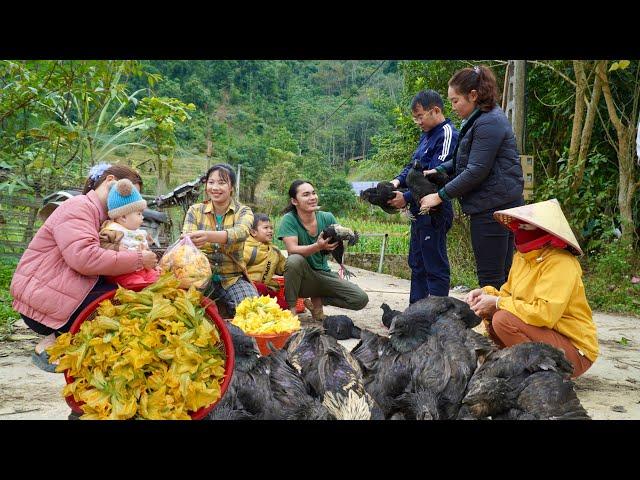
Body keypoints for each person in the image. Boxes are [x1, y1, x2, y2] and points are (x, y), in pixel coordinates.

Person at [10, 163, 158, 372]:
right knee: (126, 301)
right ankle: (53, 343)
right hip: (43, 297)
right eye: (128, 194)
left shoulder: (101, 216)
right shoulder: (79, 207)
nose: (128, 202)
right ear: (110, 182)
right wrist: (138, 259)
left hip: (60, 291)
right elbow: (84, 258)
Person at [465, 199, 598, 378]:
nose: (520, 231)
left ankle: (539, 375)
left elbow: (544, 314)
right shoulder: (522, 257)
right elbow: (507, 295)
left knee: (503, 319)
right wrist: (486, 294)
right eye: (519, 226)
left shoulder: (561, 263)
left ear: (544, 231)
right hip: (546, 337)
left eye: (526, 227)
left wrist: (497, 302)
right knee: (493, 315)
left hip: (575, 351)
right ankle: (521, 366)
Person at [422, 65, 524, 290]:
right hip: (495, 205)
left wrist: (439, 196)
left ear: (473, 95)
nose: (452, 107)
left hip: (493, 209)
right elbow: (467, 159)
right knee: (502, 278)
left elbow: (476, 170)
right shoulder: (480, 118)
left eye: (455, 100)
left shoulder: (489, 122)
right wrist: (441, 170)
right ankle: (500, 324)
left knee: (491, 280)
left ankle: (494, 325)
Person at [388, 89, 459, 303]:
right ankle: (414, 316)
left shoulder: (448, 134)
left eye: (420, 116)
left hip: (435, 210)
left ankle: (437, 319)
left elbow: (437, 177)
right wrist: (395, 183)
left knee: (434, 266)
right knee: (417, 263)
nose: (418, 122)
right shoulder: (426, 136)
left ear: (435, 110)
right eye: (415, 118)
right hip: (419, 211)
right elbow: (413, 167)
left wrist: (406, 197)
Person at [277, 180, 369, 320]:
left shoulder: (327, 217)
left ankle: (318, 302)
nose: (313, 197)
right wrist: (318, 246)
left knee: (360, 299)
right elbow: (292, 249)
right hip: (303, 280)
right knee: (294, 260)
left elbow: (337, 237)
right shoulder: (289, 220)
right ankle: (292, 311)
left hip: (324, 275)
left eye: (314, 193)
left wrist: (348, 235)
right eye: (306, 194)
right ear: (295, 201)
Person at [182, 163, 257, 317]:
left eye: (222, 183)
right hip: (199, 276)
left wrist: (208, 236)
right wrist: (190, 239)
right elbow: (187, 240)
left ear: (231, 187)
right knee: (184, 309)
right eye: (211, 182)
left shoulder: (243, 211)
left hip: (232, 278)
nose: (215, 187)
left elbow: (241, 232)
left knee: (252, 310)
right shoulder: (195, 210)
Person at [98, 178, 160, 289]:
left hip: (142, 269)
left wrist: (154, 265)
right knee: (137, 285)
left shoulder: (137, 232)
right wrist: (116, 248)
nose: (142, 217)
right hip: (123, 273)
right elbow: (101, 244)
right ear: (123, 217)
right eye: (139, 214)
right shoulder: (113, 230)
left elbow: (144, 250)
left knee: (159, 280)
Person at [243, 213, 288, 309]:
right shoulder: (247, 248)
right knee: (260, 289)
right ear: (253, 232)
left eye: (271, 228)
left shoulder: (274, 251)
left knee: (283, 307)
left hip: (267, 288)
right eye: (266, 228)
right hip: (250, 286)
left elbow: (283, 268)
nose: (270, 231)